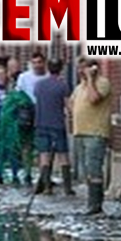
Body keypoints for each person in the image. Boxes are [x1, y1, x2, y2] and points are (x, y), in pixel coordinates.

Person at [70, 56, 113, 214]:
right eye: (79, 68)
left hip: (95, 133)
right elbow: (72, 104)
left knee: (94, 168)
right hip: (80, 132)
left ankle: (96, 205)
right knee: (86, 170)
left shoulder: (102, 83)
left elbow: (94, 99)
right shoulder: (79, 87)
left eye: (84, 68)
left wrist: (90, 79)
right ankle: (90, 202)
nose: (80, 71)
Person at [32, 59, 73, 195]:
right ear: (61, 69)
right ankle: (67, 188)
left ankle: (47, 186)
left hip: (41, 123)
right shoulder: (63, 86)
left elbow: (37, 98)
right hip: (57, 124)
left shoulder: (39, 85)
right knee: (63, 156)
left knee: (44, 155)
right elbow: (69, 107)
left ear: (48, 69)